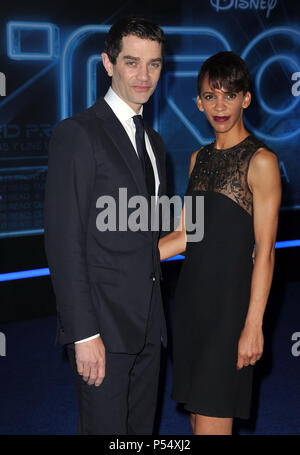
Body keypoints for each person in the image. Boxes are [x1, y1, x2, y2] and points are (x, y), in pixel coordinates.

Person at [44, 16, 168, 435]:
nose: (143, 75)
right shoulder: (77, 134)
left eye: (153, 64)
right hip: (103, 330)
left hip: (150, 328)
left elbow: (146, 236)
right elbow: (65, 243)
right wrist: (83, 334)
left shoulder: (155, 143)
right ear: (107, 63)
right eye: (132, 62)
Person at [159, 51, 281, 435]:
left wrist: (253, 325)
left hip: (230, 315)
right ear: (198, 102)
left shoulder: (261, 162)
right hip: (192, 306)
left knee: (211, 422)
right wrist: (124, 256)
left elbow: (265, 252)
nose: (220, 105)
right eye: (211, 96)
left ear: (246, 98)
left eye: (229, 94)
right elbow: (184, 236)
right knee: (198, 420)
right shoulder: (198, 159)